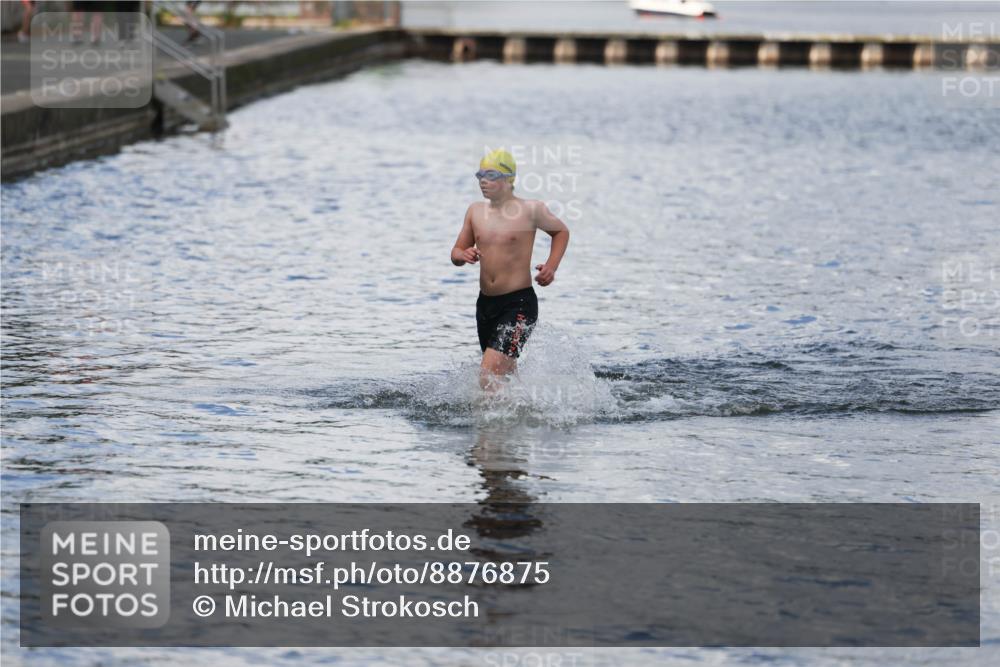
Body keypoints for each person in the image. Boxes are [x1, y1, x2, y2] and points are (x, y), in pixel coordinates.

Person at [451, 149, 570, 390]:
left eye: (491, 175)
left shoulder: (530, 210)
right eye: (480, 175)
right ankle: (524, 415)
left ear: (509, 179)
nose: (483, 181)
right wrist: (463, 255)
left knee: (488, 374)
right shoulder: (475, 212)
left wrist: (551, 267)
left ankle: (491, 425)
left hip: (519, 306)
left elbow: (561, 232)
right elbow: (455, 252)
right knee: (503, 375)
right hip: (485, 306)